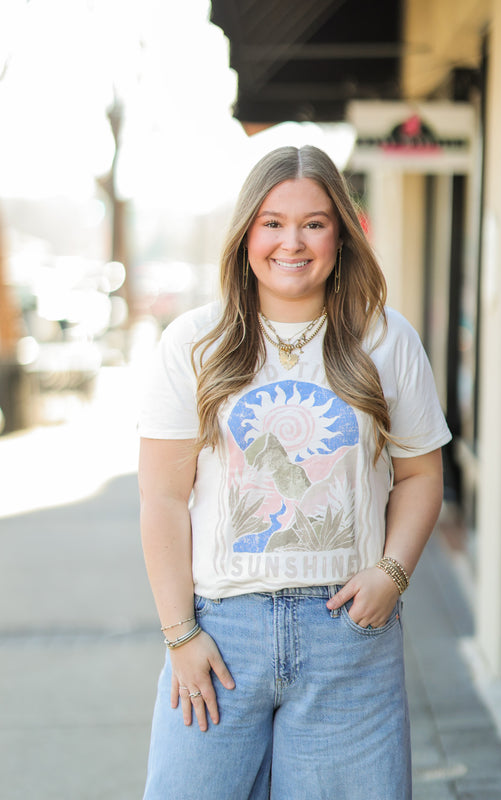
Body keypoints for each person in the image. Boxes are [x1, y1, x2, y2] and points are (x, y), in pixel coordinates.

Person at [138, 144, 451, 800]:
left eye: (313, 222)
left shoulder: (385, 340)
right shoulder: (195, 343)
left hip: (348, 636)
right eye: (272, 222)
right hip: (219, 636)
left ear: (340, 232)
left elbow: (421, 475)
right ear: (246, 233)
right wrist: (178, 635)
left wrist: (391, 574)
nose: (292, 242)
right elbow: (163, 498)